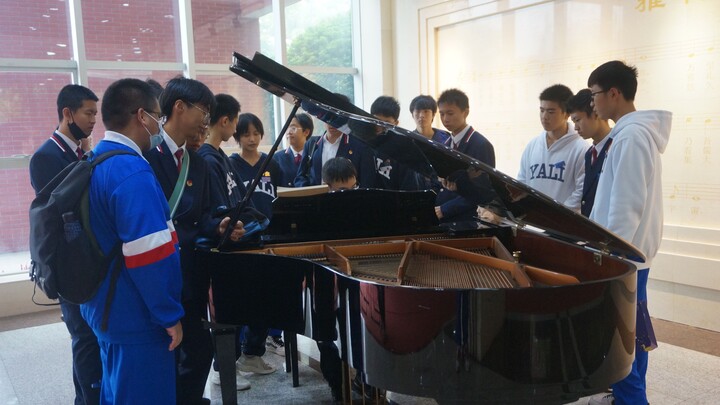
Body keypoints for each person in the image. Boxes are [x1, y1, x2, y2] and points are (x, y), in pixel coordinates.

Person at [77, 78, 184, 404]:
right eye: (158, 116)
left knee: (117, 393)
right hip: (136, 317)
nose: (159, 124)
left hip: (105, 308)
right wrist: (168, 315)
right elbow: (150, 255)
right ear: (142, 116)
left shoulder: (96, 160)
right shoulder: (131, 172)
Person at [144, 76, 245, 405]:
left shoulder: (197, 163)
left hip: (191, 276)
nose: (206, 120)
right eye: (203, 111)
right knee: (164, 356)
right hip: (157, 277)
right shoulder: (145, 156)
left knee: (200, 350)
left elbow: (204, 217)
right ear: (178, 107)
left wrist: (220, 227)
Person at [586, 61, 671, 405]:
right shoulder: (632, 134)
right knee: (632, 341)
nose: (592, 104)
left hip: (623, 259)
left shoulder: (632, 137)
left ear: (614, 94)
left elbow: (626, 207)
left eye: (594, 96)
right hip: (630, 257)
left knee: (618, 350)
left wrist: (609, 261)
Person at [29, 84, 102, 405]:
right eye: (88, 113)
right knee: (84, 338)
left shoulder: (79, 151)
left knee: (89, 338)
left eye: (96, 114)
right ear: (67, 113)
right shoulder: (46, 157)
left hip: (87, 259)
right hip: (69, 263)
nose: (92, 121)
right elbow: (58, 211)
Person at [229, 112, 281, 375]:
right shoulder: (231, 165)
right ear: (237, 137)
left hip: (270, 240)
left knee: (267, 298)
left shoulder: (273, 163)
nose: (252, 139)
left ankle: (253, 353)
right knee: (240, 300)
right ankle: (232, 358)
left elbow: (283, 197)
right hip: (242, 240)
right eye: (246, 134)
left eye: (256, 133)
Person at [517, 84, 587, 211]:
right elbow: (522, 182)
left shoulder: (580, 148)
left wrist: (558, 217)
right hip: (534, 223)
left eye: (550, 111)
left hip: (564, 225)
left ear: (566, 114)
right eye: (542, 110)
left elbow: (580, 192)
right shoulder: (532, 145)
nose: (544, 116)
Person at [435, 88, 495, 223]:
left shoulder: (480, 144)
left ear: (465, 112)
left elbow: (483, 191)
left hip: (467, 219)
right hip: (444, 216)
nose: (445, 119)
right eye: (442, 114)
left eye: (450, 113)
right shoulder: (445, 142)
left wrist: (445, 209)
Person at [294, 94, 375, 188]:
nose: (332, 123)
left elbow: (367, 183)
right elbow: (300, 177)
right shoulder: (311, 143)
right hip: (317, 200)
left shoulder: (360, 147)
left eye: (338, 118)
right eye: (329, 117)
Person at [567, 89, 613, 217]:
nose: (575, 127)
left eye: (578, 120)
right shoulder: (589, 154)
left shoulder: (616, 147)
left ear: (596, 113)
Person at [370, 95, 423, 191]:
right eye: (376, 121)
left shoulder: (403, 148)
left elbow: (409, 186)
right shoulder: (362, 140)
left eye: (386, 123)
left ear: (396, 123)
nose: (380, 127)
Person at [274, 112, 313, 187]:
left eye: (293, 128)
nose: (288, 132)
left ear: (306, 132)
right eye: (287, 128)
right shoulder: (277, 158)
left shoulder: (314, 155)